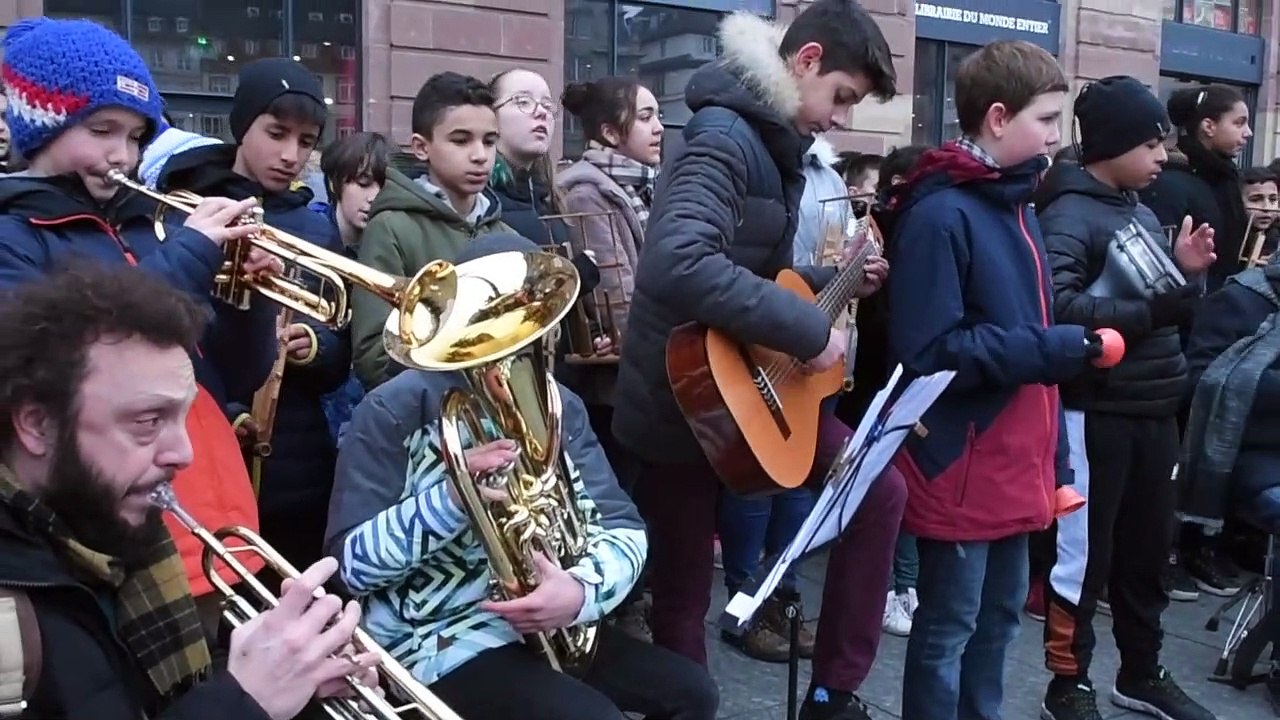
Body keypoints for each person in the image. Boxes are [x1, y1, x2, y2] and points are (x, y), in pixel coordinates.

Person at [610, 1, 902, 717]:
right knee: (680, 600)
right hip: (686, 401)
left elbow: (757, 273)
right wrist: (808, 327)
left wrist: (837, 288)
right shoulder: (723, 135)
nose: (840, 118)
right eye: (841, 96)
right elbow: (678, 261)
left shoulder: (772, 142)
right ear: (804, 62)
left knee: (878, 490)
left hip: (745, 384)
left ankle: (834, 692)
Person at [326, 233, 720, 720]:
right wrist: (453, 499)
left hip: (554, 621)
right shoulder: (390, 410)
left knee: (693, 694)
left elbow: (623, 526)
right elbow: (350, 569)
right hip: (436, 639)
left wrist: (579, 591)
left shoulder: (562, 406)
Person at [0, 263, 376, 720]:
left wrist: (299, 687)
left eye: (182, 416)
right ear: (38, 425)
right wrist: (243, 700)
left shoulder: (111, 529)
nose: (184, 454)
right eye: (146, 422)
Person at [0, 16, 277, 621]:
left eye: (134, 136)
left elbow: (234, 374)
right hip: (112, 543)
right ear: (42, 125)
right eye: (101, 130)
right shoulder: (14, 235)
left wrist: (247, 294)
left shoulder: (146, 229)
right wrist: (192, 254)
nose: (120, 155)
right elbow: (63, 364)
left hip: (218, 523)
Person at [884, 40, 1104, 720]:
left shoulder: (1017, 204)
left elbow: (1028, 343)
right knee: (950, 626)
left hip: (1013, 458)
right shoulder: (942, 213)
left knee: (1001, 619)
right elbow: (932, 349)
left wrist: (1057, 461)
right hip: (963, 456)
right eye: (1047, 119)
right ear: (1000, 118)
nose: (1056, 136)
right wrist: (1052, 349)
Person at [1036, 75, 1217, 720]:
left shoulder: (1137, 208)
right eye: (1150, 144)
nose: (1162, 156)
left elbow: (1156, 302)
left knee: (1146, 555)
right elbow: (1060, 309)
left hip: (1153, 409)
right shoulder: (1066, 211)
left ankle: (1141, 672)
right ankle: (1068, 681)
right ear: (1111, 145)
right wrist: (1154, 307)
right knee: (1084, 558)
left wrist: (1185, 274)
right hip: (1096, 411)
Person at [157, 57, 353, 573]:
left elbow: (340, 345)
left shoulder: (314, 227)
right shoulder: (192, 207)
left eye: (307, 142)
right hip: (209, 434)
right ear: (243, 125)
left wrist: (316, 345)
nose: (291, 155)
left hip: (298, 452)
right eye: (276, 133)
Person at [1141, 84, 1255, 600]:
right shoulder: (1178, 184)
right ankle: (1166, 548)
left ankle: (1195, 543)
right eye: (1239, 122)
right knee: (1177, 445)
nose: (1247, 133)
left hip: (1220, 331)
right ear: (1207, 126)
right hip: (1187, 336)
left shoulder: (1220, 180)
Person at [351, 72, 514, 390]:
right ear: (421, 148)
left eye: (489, 141)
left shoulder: (505, 232)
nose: (480, 155)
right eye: (461, 140)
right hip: (430, 423)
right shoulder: (391, 227)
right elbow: (373, 358)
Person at [315, 131, 393, 443]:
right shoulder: (313, 234)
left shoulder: (388, 245)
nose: (374, 196)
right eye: (362, 184)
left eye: (382, 186)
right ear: (336, 184)